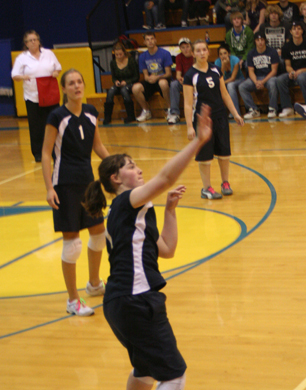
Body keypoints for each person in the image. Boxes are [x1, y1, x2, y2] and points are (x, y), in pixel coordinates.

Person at [83, 105, 213, 390]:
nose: (139, 169)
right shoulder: (126, 201)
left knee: (144, 371)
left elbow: (167, 249)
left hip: (120, 303)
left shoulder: (134, 217)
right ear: (116, 179)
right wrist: (197, 140)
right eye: (130, 166)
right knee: (174, 375)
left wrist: (170, 210)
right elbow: (166, 178)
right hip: (136, 300)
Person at [41, 69, 110, 316]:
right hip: (64, 184)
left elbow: (98, 146)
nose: (76, 86)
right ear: (64, 89)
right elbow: (46, 153)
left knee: (99, 233)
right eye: (71, 83)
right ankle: (72, 301)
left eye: (79, 82)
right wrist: (49, 188)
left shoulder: (91, 113)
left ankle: (93, 284)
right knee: (72, 245)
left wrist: (117, 164)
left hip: (88, 183)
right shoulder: (57, 116)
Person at [183, 39, 244, 200]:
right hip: (203, 121)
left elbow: (224, 94)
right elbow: (188, 104)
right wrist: (189, 126)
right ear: (193, 54)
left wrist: (235, 114)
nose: (202, 53)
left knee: (224, 152)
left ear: (208, 52)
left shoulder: (216, 70)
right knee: (205, 155)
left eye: (204, 50)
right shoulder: (190, 75)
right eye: (198, 50)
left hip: (220, 116)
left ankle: (225, 183)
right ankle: (206, 188)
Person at [11, 30, 62, 162]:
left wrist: (56, 72)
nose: (33, 42)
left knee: (54, 123)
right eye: (30, 40)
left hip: (50, 93)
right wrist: (23, 76)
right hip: (33, 96)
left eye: (35, 39)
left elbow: (58, 67)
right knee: (36, 126)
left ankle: (56, 150)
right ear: (26, 44)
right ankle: (38, 152)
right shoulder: (22, 58)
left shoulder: (48, 53)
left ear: (39, 41)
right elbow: (14, 75)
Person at [277, 21, 306, 117]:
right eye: (294, 29)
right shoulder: (287, 46)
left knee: (302, 78)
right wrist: (291, 72)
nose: (296, 31)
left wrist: (301, 71)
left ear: (302, 31)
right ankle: (287, 107)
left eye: (299, 29)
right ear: (290, 31)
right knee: (280, 79)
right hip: (295, 73)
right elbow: (287, 65)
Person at [132, 32, 173, 122]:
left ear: (155, 40)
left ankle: (170, 110)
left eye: (152, 39)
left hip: (162, 79)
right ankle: (146, 111)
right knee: (135, 88)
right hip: (150, 81)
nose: (150, 41)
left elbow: (168, 73)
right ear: (144, 42)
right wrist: (148, 78)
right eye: (147, 39)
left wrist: (157, 77)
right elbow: (145, 75)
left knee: (163, 83)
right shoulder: (142, 56)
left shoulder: (165, 53)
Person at [239, 32, 279, 118]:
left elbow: (274, 71)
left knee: (273, 83)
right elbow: (250, 71)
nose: (260, 42)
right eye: (258, 40)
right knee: (242, 86)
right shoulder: (251, 53)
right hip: (256, 78)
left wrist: (263, 82)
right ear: (255, 41)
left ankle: (272, 108)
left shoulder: (272, 52)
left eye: (262, 40)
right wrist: (256, 82)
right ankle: (253, 109)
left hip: (269, 77)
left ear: (265, 41)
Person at [103, 42, 139, 125]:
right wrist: (116, 81)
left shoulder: (131, 61)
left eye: (120, 54)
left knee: (124, 90)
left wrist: (126, 82)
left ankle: (131, 115)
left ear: (124, 53)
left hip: (130, 83)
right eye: (117, 55)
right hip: (119, 84)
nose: (119, 56)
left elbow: (136, 77)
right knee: (111, 91)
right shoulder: (113, 63)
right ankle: (107, 117)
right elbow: (114, 77)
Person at [214, 42, 245, 117]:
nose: (223, 56)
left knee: (230, 85)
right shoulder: (217, 62)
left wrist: (222, 83)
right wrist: (223, 66)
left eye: (225, 53)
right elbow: (219, 77)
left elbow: (233, 78)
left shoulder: (235, 60)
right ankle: (219, 113)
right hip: (225, 81)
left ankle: (235, 112)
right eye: (220, 54)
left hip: (238, 80)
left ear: (229, 53)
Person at [167, 37, 193, 124]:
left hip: (195, 81)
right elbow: (178, 74)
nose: (185, 49)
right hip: (185, 82)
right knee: (174, 84)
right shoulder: (179, 57)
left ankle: (194, 111)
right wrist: (181, 79)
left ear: (191, 46)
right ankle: (174, 113)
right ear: (180, 49)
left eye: (187, 46)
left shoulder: (195, 56)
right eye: (183, 47)